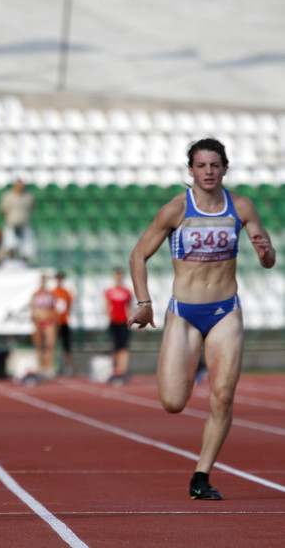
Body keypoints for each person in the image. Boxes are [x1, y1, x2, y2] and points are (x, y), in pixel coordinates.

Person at [128, 137, 276, 500]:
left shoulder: (241, 206)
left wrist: (266, 252)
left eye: (214, 165)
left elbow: (268, 259)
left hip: (226, 310)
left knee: (223, 398)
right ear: (190, 170)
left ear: (225, 168)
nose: (208, 172)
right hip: (185, 313)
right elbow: (138, 256)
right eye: (201, 166)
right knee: (173, 402)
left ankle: (201, 475)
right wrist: (144, 301)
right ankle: (184, 367)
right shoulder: (175, 210)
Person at [105, 268, 133, 384]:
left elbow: (129, 307)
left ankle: (122, 370)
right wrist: (109, 317)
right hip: (114, 321)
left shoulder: (127, 292)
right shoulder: (109, 291)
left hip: (124, 321)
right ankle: (115, 370)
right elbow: (107, 306)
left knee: (124, 347)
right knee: (115, 347)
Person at [0, 179, 36, 261]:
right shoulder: (8, 196)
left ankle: (25, 265)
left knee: (27, 248)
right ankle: (10, 263)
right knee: (10, 246)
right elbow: (3, 210)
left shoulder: (28, 196)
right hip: (11, 224)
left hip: (25, 225)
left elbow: (32, 208)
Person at [29, 274, 57, 380]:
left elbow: (54, 308)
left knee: (50, 345)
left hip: (48, 321)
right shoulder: (35, 294)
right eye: (42, 281)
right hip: (38, 321)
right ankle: (41, 367)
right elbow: (32, 307)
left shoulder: (50, 294)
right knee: (40, 346)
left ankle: (48, 367)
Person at [53, 271, 74, 376]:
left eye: (61, 278)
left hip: (64, 321)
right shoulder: (53, 292)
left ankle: (68, 367)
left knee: (67, 346)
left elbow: (69, 304)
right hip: (54, 323)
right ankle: (53, 367)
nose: (59, 280)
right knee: (52, 345)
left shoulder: (66, 292)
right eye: (58, 278)